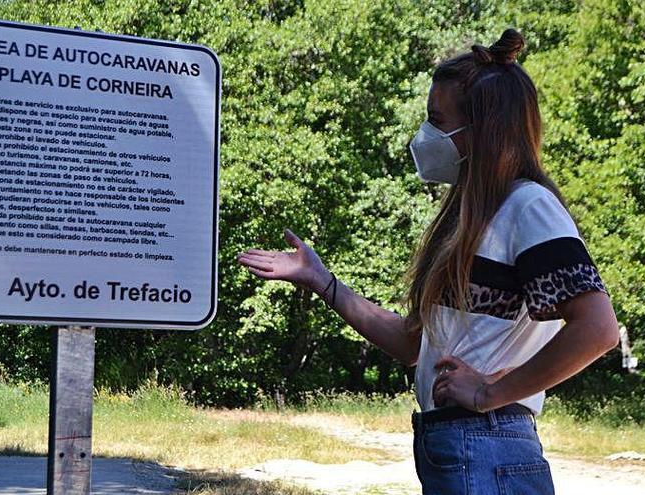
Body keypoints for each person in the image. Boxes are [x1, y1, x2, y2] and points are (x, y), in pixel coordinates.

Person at [236, 28, 619, 495]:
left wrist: (491, 392)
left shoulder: (528, 206)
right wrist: (321, 280)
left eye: (437, 120)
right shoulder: (472, 219)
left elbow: (597, 329)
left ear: (482, 129)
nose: (426, 135)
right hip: (457, 445)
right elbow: (415, 345)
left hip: (487, 444)